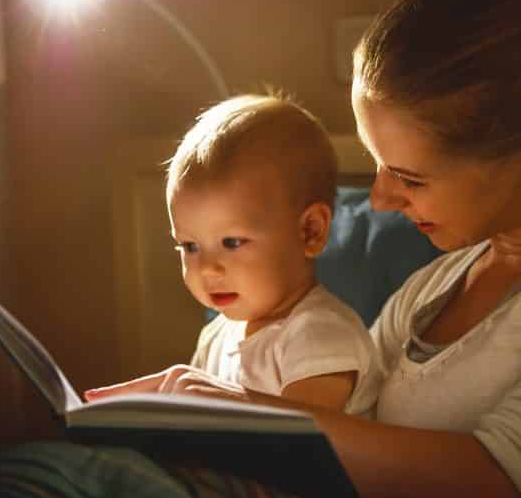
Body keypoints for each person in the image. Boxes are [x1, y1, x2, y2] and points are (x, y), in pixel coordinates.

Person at [0, 0, 521, 498]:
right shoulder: (434, 287)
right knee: (46, 478)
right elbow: (347, 441)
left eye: (408, 176)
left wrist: (232, 420)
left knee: (43, 488)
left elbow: (499, 487)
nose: (378, 200)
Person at [87, 93, 381, 414]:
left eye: (231, 242)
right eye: (190, 246)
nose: (208, 269)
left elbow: (301, 444)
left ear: (310, 231)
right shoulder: (216, 336)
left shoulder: (320, 334)